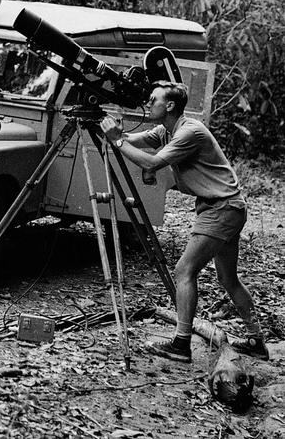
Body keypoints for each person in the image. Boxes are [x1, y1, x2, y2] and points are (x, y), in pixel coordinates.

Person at [101, 82, 269, 364]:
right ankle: (256, 340)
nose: (148, 102)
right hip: (226, 207)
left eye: (153, 99)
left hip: (222, 208)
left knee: (184, 271)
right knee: (227, 278)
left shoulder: (189, 131)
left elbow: (152, 162)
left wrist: (116, 141)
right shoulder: (167, 129)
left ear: (169, 105)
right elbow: (136, 140)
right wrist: (113, 132)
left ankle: (181, 344)